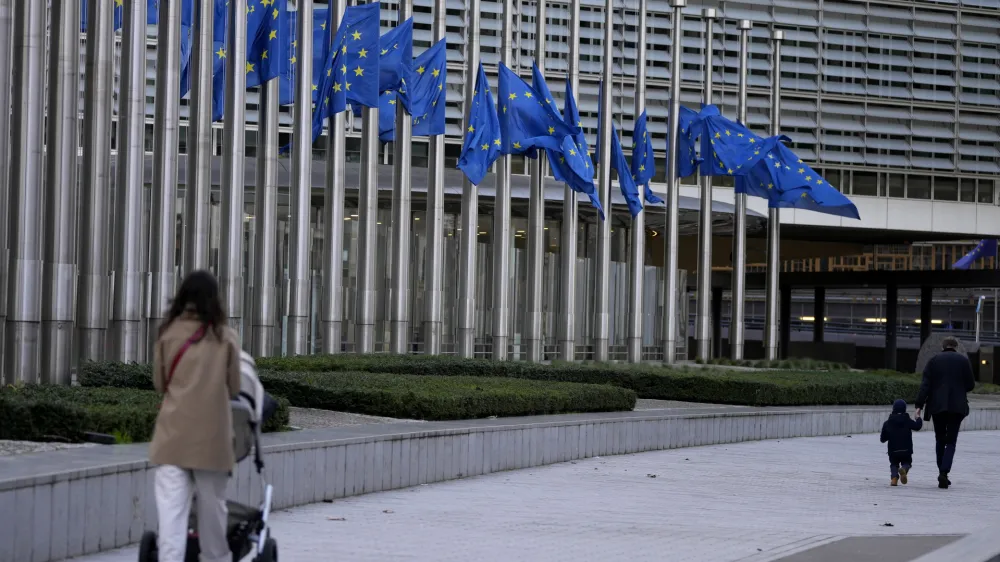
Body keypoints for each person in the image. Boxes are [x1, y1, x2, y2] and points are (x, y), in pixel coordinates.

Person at [149, 270, 242, 562]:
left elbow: (159, 383)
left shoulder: (168, 333)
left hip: (172, 440)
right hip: (211, 444)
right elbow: (235, 387)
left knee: (171, 521)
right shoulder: (226, 337)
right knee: (213, 518)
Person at [915, 335, 976, 489]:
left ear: (943, 347)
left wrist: (919, 405)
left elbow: (925, 385)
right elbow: (970, 385)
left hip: (937, 406)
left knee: (940, 438)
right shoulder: (963, 361)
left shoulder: (934, 361)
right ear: (955, 347)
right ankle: (944, 472)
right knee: (951, 441)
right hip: (957, 407)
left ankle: (941, 470)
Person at [879, 399, 922, 486]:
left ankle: (894, 478)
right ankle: (904, 469)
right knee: (907, 462)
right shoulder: (907, 420)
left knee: (894, 464)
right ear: (904, 409)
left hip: (893, 450)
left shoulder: (887, 423)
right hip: (906, 450)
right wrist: (918, 418)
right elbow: (917, 427)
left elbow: (882, 439)